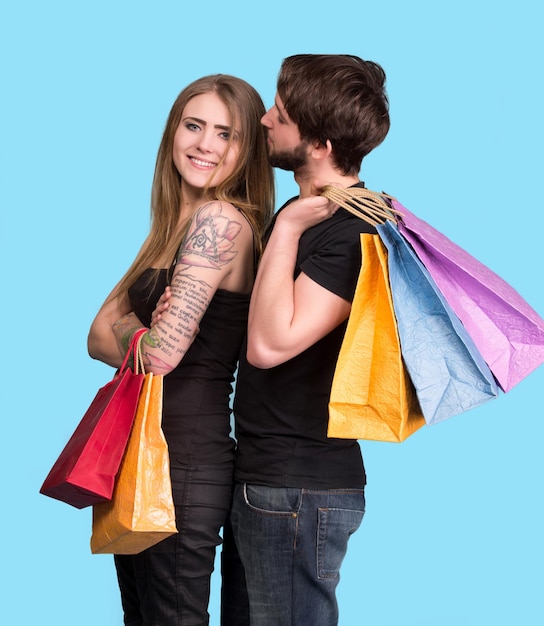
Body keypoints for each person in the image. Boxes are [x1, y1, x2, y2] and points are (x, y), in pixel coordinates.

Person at [87, 74, 274, 626]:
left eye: (226, 134)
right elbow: (95, 332)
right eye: (194, 126)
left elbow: (162, 354)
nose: (205, 145)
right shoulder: (171, 228)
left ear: (247, 151)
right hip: (142, 456)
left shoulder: (220, 222)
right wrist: (139, 334)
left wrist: (137, 332)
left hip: (181, 464)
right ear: (173, 132)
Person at [229, 54, 391, 626]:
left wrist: (293, 224)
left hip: (298, 490)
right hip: (274, 482)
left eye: (281, 112)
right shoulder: (316, 217)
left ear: (319, 144)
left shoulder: (353, 231)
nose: (266, 120)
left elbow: (270, 344)